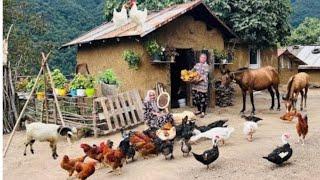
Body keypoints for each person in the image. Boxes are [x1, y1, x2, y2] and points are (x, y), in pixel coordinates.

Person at [192, 53, 210, 118]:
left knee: (203, 98)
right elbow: (192, 71)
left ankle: (203, 112)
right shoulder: (197, 65)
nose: (201, 59)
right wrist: (188, 75)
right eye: (201, 57)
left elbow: (205, 75)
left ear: (205, 59)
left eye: (203, 57)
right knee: (196, 98)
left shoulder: (207, 66)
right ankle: (199, 110)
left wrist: (198, 80)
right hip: (196, 85)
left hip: (202, 85)